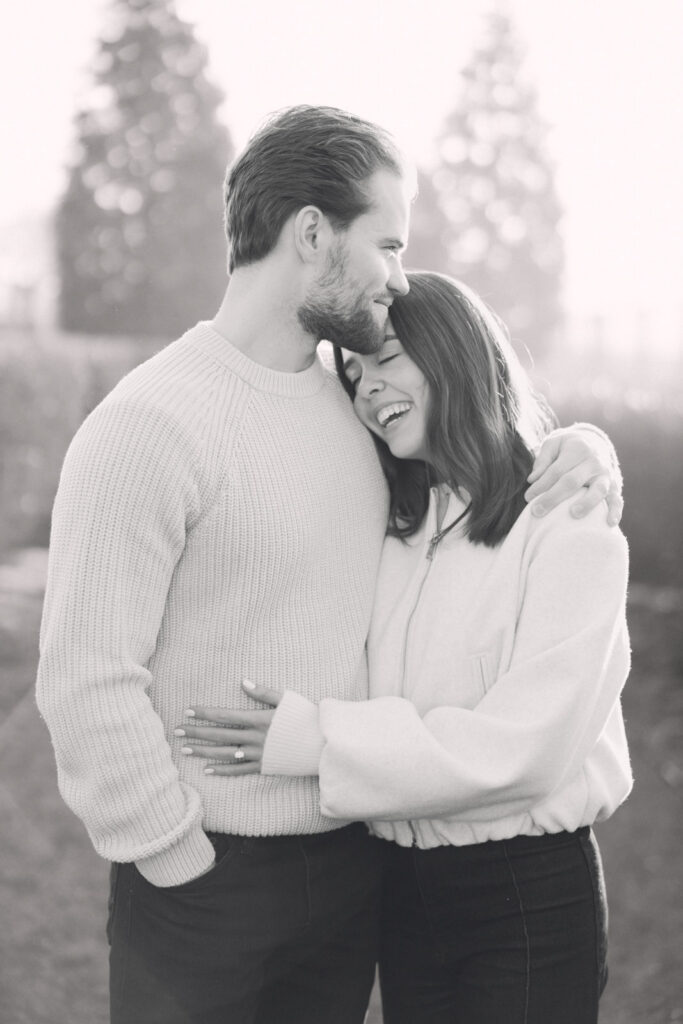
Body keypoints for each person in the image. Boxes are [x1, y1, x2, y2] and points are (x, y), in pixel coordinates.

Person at [36, 106, 622, 1024]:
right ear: (312, 232)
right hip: (204, 878)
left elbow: (475, 448)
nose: (398, 276)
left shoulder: (355, 421)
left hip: (355, 875)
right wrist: (174, 855)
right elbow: (84, 675)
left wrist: (588, 449)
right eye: (387, 244)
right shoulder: (145, 424)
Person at [180, 273, 631, 1024]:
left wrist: (320, 742)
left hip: (525, 897)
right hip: (402, 892)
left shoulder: (567, 521)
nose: (367, 389)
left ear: (456, 351)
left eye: (386, 358)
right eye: (354, 375)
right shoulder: (391, 526)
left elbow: (525, 751)